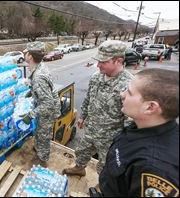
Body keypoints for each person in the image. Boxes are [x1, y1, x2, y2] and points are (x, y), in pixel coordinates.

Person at [99, 68, 179, 197]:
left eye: (129, 92)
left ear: (150, 107)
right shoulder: (141, 125)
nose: (122, 94)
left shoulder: (154, 168)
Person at [62, 40, 133, 177]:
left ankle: (103, 184)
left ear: (118, 61)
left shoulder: (129, 85)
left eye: (104, 62)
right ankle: (79, 168)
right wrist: (82, 116)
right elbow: (88, 98)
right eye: (98, 61)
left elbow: (130, 121)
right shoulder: (96, 77)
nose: (98, 65)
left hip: (110, 137)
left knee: (106, 163)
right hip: (91, 129)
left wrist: (124, 143)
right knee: (82, 151)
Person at [21, 41, 61, 167]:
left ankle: (42, 159)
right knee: (39, 131)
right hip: (45, 104)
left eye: (26, 52)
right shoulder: (39, 66)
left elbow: (47, 104)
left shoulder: (38, 76)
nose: (24, 53)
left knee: (44, 134)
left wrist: (31, 115)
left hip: (48, 110)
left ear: (31, 57)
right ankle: (39, 149)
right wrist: (32, 93)